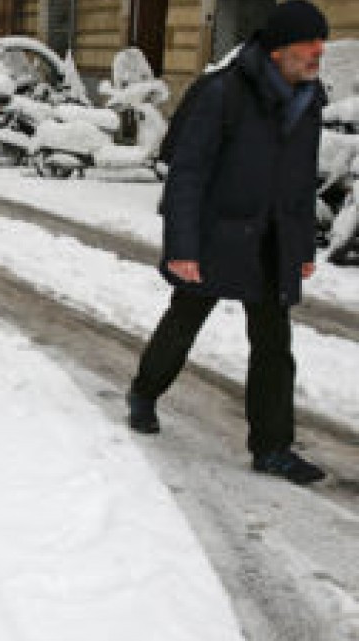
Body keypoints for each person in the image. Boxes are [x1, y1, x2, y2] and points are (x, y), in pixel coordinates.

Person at [127, 1, 329, 485]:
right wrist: (183, 247)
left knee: (274, 344)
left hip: (273, 239)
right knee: (184, 322)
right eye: (309, 47)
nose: (318, 55)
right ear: (280, 51)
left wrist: (301, 248)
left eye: (321, 46)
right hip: (219, 235)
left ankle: (272, 447)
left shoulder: (309, 100)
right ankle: (144, 393)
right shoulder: (224, 93)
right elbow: (188, 175)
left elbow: (301, 181)